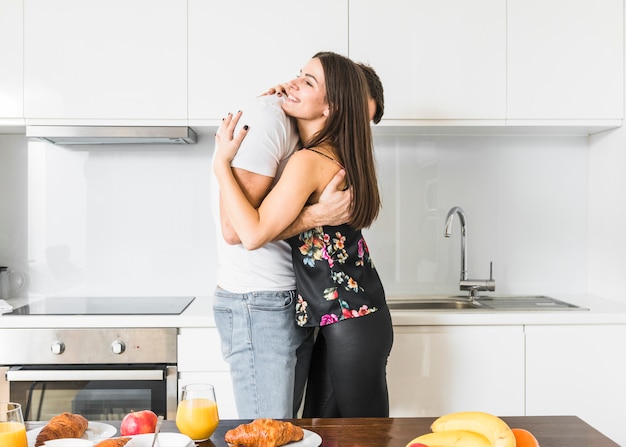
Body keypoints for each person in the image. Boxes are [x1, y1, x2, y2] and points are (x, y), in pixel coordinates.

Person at [214, 51, 393, 417]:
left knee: (364, 437)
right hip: (351, 319)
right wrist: (290, 96)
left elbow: (248, 234)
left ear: (332, 107)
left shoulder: (309, 160)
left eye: (309, 81)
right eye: (300, 74)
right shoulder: (330, 153)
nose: (294, 82)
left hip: (347, 322)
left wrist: (220, 165)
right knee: (327, 434)